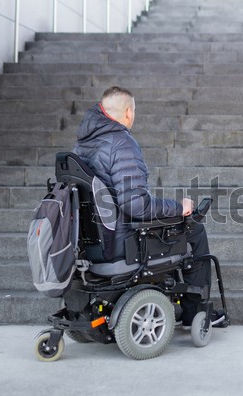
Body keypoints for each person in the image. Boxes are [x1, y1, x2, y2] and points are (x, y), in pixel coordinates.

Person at [73, 86, 221, 327]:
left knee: (175, 225)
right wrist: (178, 208)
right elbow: (136, 206)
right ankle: (196, 313)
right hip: (121, 241)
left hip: (91, 242)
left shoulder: (81, 145)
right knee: (192, 229)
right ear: (129, 112)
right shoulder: (120, 143)